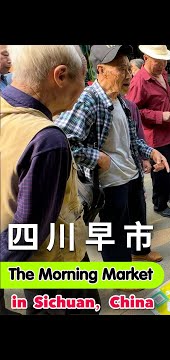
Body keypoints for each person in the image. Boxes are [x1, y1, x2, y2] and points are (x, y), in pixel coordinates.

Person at [1, 45, 101, 314]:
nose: (83, 90)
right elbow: (27, 230)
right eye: (84, 78)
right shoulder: (47, 139)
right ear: (60, 76)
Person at [56, 45, 169, 264]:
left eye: (129, 68)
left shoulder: (121, 101)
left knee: (138, 219)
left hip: (132, 173)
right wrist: (96, 157)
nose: (128, 74)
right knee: (114, 232)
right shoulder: (88, 100)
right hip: (110, 182)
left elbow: (131, 140)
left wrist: (151, 151)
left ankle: (141, 252)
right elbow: (62, 141)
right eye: (121, 69)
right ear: (100, 70)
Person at [126, 45, 170, 219]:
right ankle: (160, 204)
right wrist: (159, 116)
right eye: (158, 61)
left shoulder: (162, 74)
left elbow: (165, 97)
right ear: (145, 58)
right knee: (161, 173)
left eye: (164, 61)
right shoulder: (139, 81)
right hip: (156, 137)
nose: (163, 65)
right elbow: (133, 111)